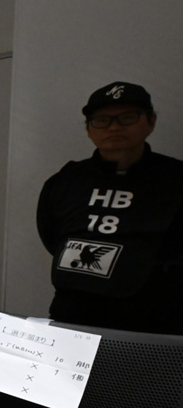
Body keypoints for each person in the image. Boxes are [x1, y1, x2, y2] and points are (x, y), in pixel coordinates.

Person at [36, 82, 183, 334]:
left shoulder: (176, 179)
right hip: (71, 319)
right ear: (89, 130)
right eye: (101, 120)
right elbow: (52, 237)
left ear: (151, 122)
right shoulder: (66, 180)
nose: (114, 127)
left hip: (153, 325)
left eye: (127, 117)